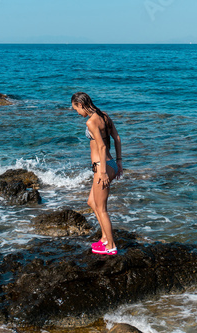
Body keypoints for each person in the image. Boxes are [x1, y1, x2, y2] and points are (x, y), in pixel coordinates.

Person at [71, 92, 122, 255]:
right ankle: (105, 238)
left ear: (80, 104)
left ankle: (110, 246)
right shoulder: (104, 115)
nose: (77, 113)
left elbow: (101, 147)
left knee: (101, 208)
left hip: (102, 168)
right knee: (92, 202)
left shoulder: (91, 122)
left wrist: (103, 173)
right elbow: (117, 138)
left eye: (75, 109)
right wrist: (119, 162)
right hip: (110, 164)